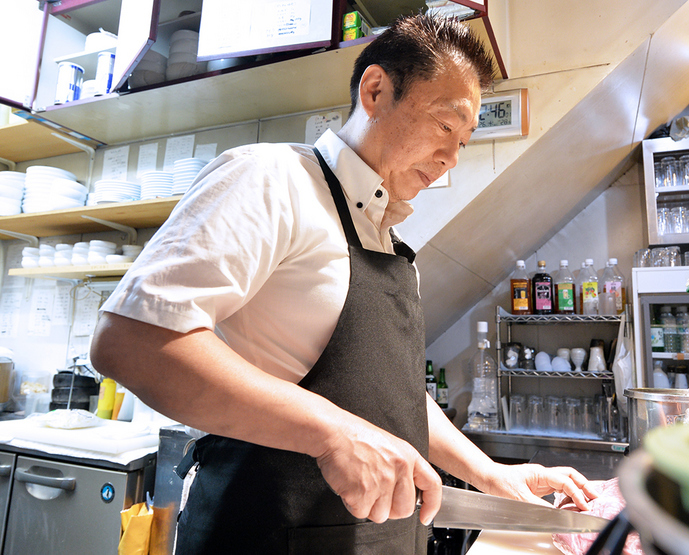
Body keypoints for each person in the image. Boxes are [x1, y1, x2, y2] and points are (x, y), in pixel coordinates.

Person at [91, 13, 597, 555]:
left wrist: (493, 475)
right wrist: (331, 432)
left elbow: (397, 396)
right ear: (376, 90)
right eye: (445, 126)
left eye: (465, 142)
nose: (451, 157)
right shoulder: (272, 179)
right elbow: (132, 341)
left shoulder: (391, 242)